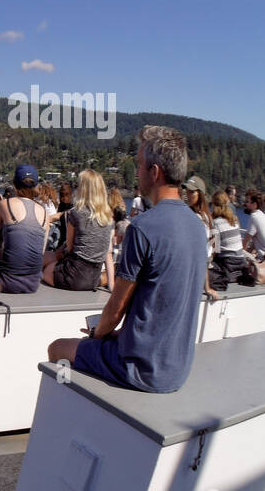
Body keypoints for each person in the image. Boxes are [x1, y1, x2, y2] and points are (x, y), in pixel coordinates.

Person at [48, 126, 208, 393]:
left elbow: (116, 307)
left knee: (57, 349)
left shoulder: (143, 227)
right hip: (177, 367)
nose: (136, 172)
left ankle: (74, 419)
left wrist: (98, 335)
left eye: (139, 165)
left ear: (154, 172)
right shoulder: (196, 226)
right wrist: (117, 334)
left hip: (140, 368)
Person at [42, 169, 114, 291]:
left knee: (47, 268)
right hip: (93, 278)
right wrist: (112, 286)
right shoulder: (108, 217)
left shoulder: (76, 213)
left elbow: (70, 248)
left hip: (74, 276)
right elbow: (108, 254)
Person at [0, 165, 49, 294]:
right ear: (36, 185)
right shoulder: (44, 212)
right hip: (33, 283)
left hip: (7, 281)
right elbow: (41, 250)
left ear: (14, 184)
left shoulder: (5, 204)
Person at [208, 190, 261, 290]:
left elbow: (214, 250)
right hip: (240, 261)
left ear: (214, 205)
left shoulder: (215, 223)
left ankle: (221, 280)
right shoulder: (233, 221)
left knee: (207, 268)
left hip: (227, 263)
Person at [181, 175, 214, 261]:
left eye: (191, 192)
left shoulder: (197, 217)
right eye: (187, 191)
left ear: (200, 194)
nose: (188, 195)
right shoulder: (207, 216)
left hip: (198, 260)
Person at [245, 190, 265, 259]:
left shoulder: (254, 216)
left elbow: (246, 241)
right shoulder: (262, 215)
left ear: (255, 204)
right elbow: (255, 242)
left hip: (262, 257)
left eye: (247, 202)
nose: (245, 204)